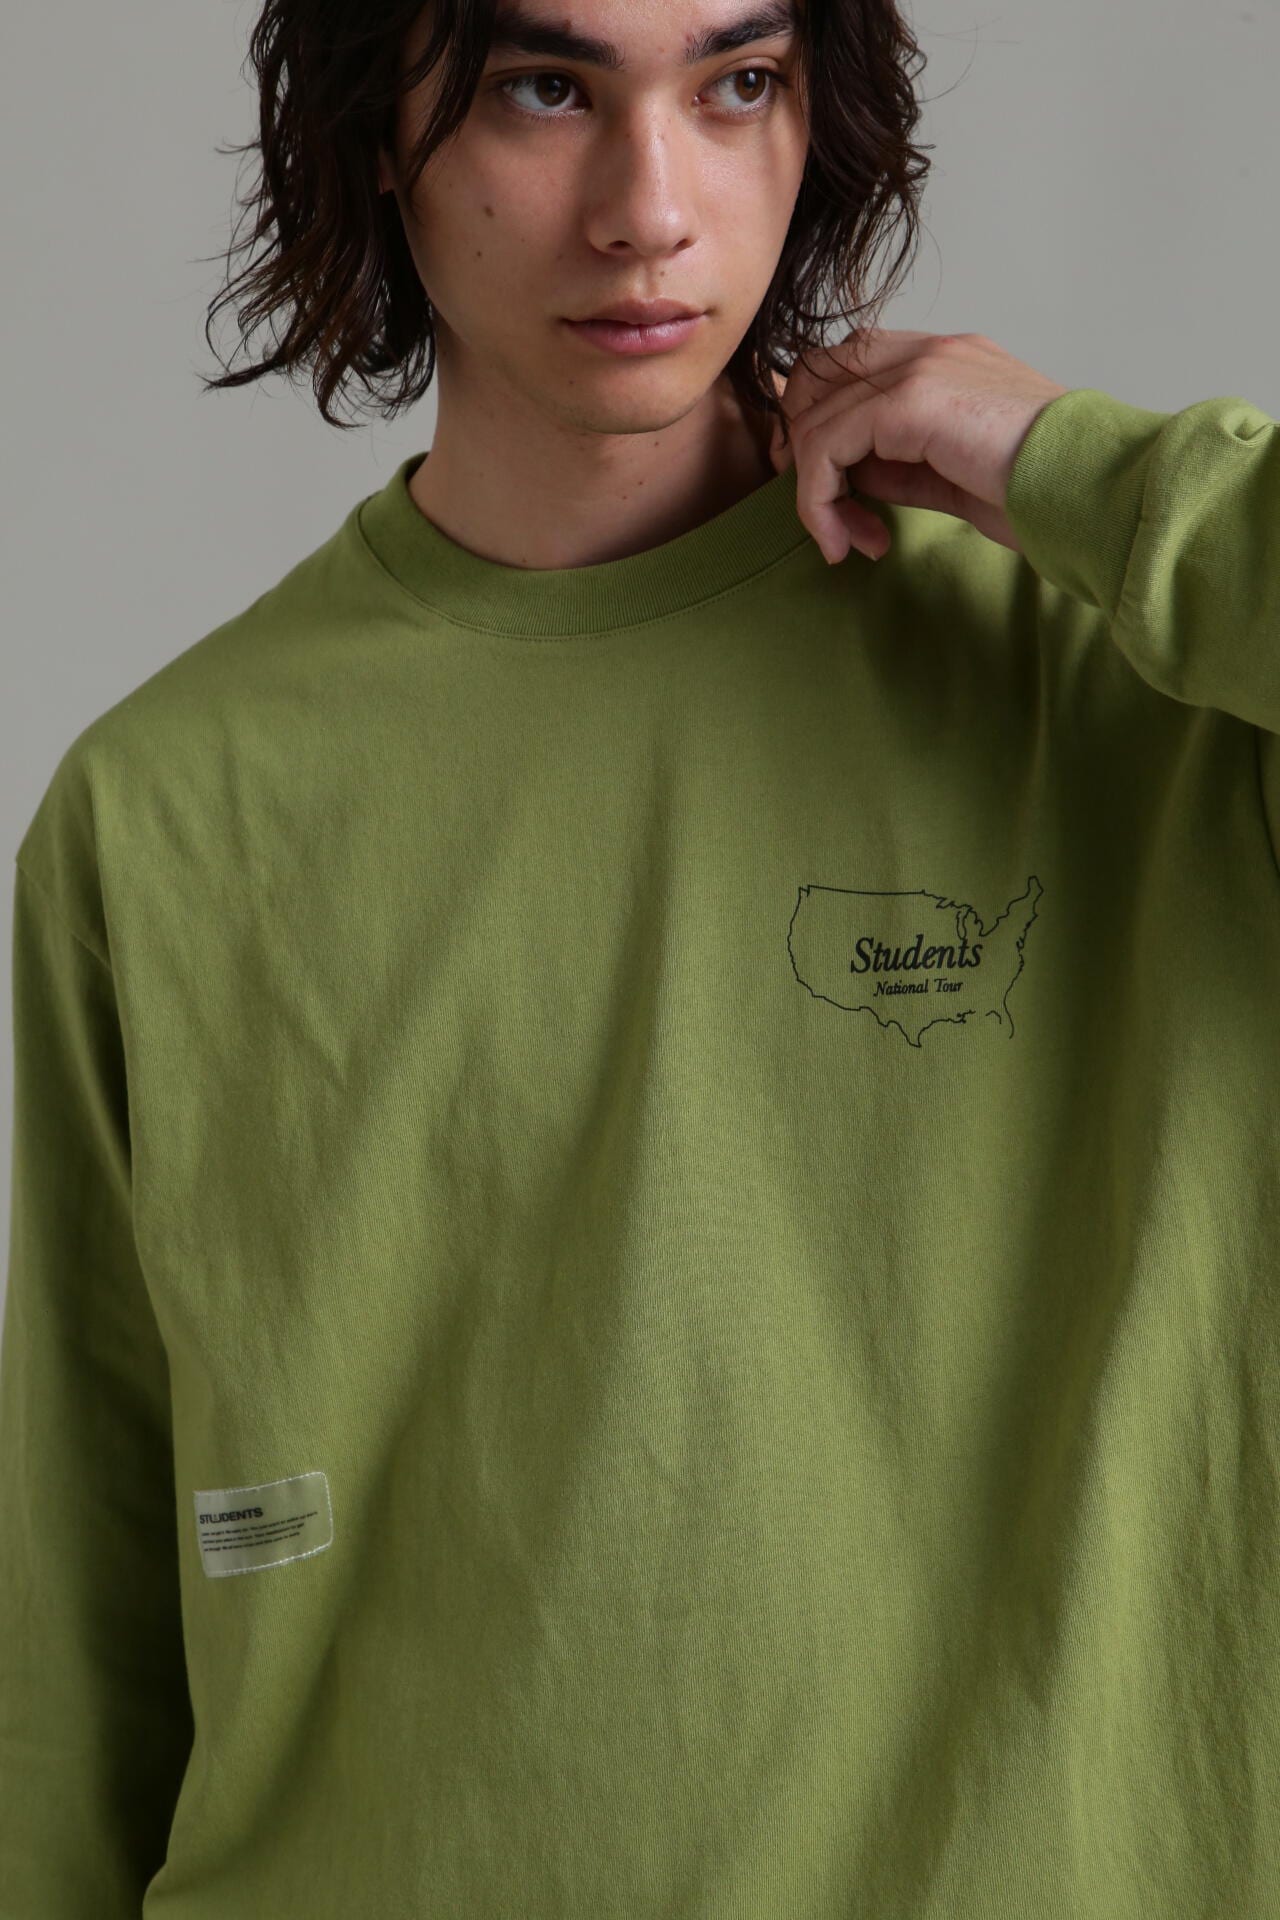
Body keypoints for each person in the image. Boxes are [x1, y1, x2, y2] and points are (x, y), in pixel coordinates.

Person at [3, 0, 1278, 1913]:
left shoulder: (1135, 687)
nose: (650, 208)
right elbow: (80, 1629)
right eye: (546, 89)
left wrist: (1083, 471)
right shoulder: (166, 807)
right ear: (376, 137)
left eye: (738, 84)